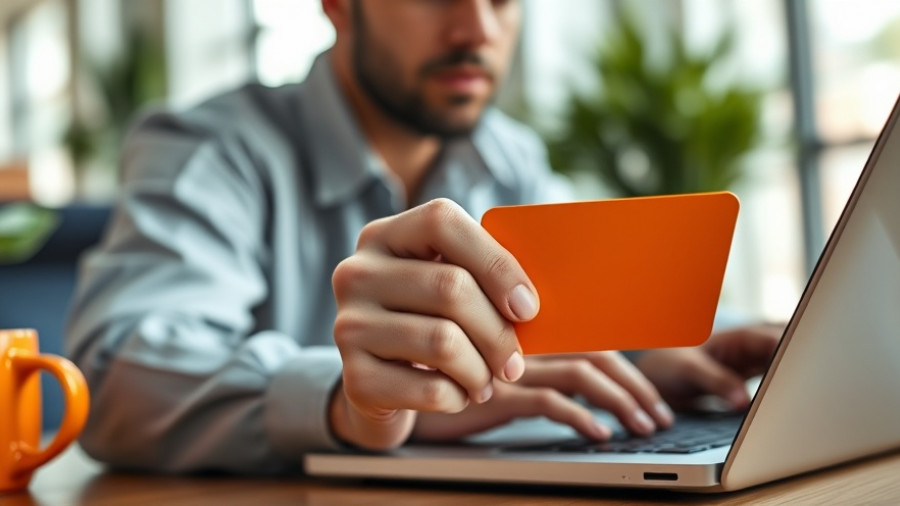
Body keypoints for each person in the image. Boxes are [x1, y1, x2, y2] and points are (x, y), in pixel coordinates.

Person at [66, 0, 781, 474]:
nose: (477, 29)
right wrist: (355, 403)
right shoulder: (210, 152)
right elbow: (111, 377)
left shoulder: (512, 157)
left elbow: (573, 330)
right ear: (339, 5)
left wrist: (662, 349)